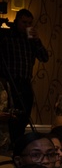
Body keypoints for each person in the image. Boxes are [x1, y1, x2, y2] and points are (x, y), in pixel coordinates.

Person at [0, 9, 48, 141]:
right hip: (9, 83)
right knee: (10, 116)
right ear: (17, 21)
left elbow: (44, 57)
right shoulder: (7, 37)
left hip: (25, 83)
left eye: (30, 23)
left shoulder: (31, 40)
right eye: (24, 22)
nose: (27, 25)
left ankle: (19, 142)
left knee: (24, 115)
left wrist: (37, 40)